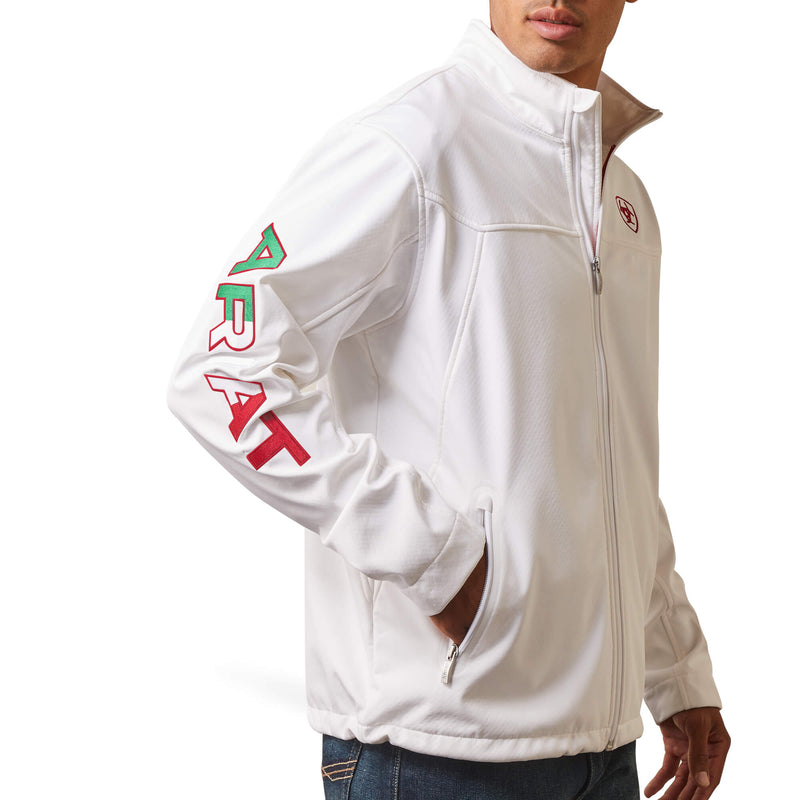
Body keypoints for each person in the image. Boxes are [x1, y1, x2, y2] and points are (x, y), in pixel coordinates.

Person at [168, 1, 731, 798]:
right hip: (432, 752)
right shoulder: (409, 147)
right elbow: (223, 367)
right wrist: (424, 549)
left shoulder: (623, 198)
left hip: (603, 751)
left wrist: (674, 665)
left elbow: (614, 459)